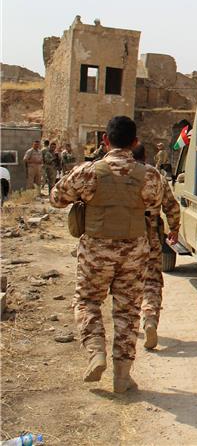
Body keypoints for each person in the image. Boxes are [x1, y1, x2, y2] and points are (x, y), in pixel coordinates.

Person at [50, 115, 167, 393]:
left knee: (88, 301)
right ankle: (123, 376)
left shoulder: (87, 172)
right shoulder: (150, 174)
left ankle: (96, 352)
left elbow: (56, 198)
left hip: (96, 252)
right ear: (135, 142)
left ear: (105, 140)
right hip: (134, 252)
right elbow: (155, 203)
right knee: (127, 312)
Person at [132, 145, 180, 350]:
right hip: (150, 234)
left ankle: (127, 325)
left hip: (121, 237)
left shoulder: (114, 174)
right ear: (146, 157)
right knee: (152, 281)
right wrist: (174, 228)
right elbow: (171, 205)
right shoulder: (156, 177)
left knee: (125, 282)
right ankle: (150, 319)